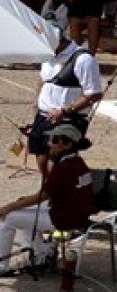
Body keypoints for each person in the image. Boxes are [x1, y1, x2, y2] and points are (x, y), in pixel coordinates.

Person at [0, 124, 97, 275]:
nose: (49, 143)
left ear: (67, 145)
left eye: (54, 140)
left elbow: (43, 196)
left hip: (63, 218)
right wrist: (21, 203)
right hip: (72, 213)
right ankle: (40, 256)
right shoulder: (77, 163)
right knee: (23, 211)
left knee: (7, 217)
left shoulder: (64, 167)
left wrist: (10, 206)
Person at [27, 20, 106, 175]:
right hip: (44, 116)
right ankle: (48, 191)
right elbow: (43, 79)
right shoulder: (48, 55)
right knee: (41, 156)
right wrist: (36, 101)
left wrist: (65, 111)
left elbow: (94, 94)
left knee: (56, 162)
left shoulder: (83, 59)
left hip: (68, 119)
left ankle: (59, 195)